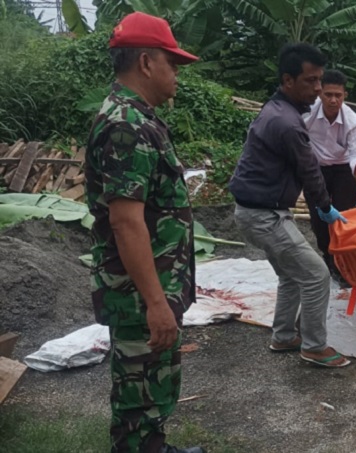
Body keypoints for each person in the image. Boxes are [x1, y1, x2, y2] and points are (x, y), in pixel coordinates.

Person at [84, 12, 204, 453]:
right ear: (147, 62)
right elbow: (125, 220)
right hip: (139, 292)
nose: (177, 74)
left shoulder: (137, 117)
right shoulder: (126, 126)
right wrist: (156, 303)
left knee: (153, 385)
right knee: (138, 393)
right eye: (173, 64)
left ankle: (154, 447)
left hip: (150, 285)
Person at [229, 43, 351, 368]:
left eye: (319, 80)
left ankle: (283, 335)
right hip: (264, 215)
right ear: (288, 80)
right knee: (316, 274)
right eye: (311, 81)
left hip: (256, 211)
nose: (317, 89)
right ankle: (314, 346)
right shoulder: (287, 123)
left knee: (290, 275)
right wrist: (325, 207)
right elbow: (309, 171)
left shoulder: (277, 111)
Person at [304, 69, 356, 287]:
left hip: (343, 169)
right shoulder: (308, 113)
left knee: (344, 217)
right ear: (320, 94)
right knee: (319, 219)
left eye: (338, 96)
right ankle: (328, 257)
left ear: (345, 96)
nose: (333, 100)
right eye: (328, 95)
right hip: (316, 169)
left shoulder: (351, 121)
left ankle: (344, 261)